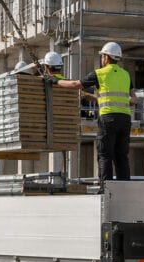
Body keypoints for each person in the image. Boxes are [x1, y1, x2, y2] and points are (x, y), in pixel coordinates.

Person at [51, 42, 135, 185]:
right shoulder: (126, 75)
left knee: (105, 155)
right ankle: (124, 190)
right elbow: (134, 99)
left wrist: (55, 81)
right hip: (125, 119)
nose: (102, 59)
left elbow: (75, 84)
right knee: (121, 156)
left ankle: (105, 190)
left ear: (107, 58)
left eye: (103, 56)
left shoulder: (100, 73)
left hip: (108, 118)